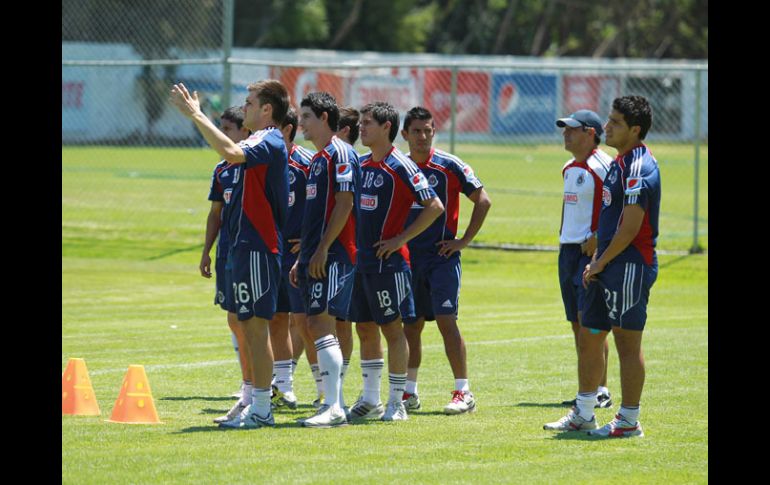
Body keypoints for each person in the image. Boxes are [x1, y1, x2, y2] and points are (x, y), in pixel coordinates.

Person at [170, 79, 290, 429]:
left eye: (251, 102)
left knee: (256, 327)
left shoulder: (269, 139)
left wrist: (196, 115)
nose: (246, 107)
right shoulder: (256, 139)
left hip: (259, 247)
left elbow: (231, 152)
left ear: (267, 110)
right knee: (245, 325)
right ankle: (254, 403)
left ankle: (263, 409)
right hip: (242, 247)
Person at [544, 95, 660, 438]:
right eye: (607, 120)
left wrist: (601, 259)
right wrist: (596, 262)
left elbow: (632, 225)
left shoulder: (640, 166)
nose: (606, 127)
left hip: (628, 266)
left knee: (626, 343)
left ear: (635, 130)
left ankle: (628, 420)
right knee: (590, 335)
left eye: (615, 123)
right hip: (602, 265)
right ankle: (583, 411)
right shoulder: (618, 164)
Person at [347, 101, 444, 422]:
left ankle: (396, 401)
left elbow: (434, 206)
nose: (361, 128)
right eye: (361, 122)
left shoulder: (400, 165)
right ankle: (371, 398)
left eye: (368, 123)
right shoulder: (361, 165)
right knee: (364, 328)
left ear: (387, 127)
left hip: (390, 265)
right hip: (362, 263)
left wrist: (401, 240)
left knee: (393, 329)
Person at [399, 107, 491, 415]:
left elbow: (483, 200)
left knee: (446, 321)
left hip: (441, 258)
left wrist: (463, 241)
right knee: (410, 326)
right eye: (416, 131)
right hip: (409, 259)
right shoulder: (399, 166)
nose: (423, 137)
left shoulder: (449, 165)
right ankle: (408, 393)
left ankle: (463, 391)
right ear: (404, 135)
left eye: (428, 130)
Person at [289, 92, 359, 427]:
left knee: (320, 322)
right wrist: (303, 255)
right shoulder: (319, 158)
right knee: (317, 323)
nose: (300, 123)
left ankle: (333, 407)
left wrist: (322, 249)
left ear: (325, 119)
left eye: (306, 117)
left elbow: (344, 204)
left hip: (334, 255)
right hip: (317, 254)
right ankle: (334, 402)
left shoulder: (341, 153)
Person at [553, 109, 614, 409]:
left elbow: (617, 207)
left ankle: (600, 390)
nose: (566, 134)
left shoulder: (604, 166)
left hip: (588, 253)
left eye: (572, 129)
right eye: (564, 129)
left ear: (591, 133)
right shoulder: (568, 167)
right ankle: (586, 390)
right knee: (577, 325)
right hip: (567, 251)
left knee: (591, 323)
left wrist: (598, 237)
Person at [198, 106, 253, 412]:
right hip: (227, 253)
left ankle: (266, 384)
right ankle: (250, 383)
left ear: (244, 132)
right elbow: (215, 213)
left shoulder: (255, 166)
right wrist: (207, 250)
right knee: (234, 320)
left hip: (252, 252)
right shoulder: (222, 170)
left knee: (252, 321)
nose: (221, 135)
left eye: (227, 130)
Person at [269, 106, 315, 410]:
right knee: (275, 318)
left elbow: (326, 203)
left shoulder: (307, 163)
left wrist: (311, 242)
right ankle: (283, 387)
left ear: (286, 130)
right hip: (270, 252)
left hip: (297, 255)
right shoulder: (262, 161)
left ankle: (325, 389)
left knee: (305, 322)